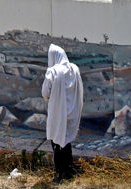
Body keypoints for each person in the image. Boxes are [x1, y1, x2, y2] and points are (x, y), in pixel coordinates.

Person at [42, 44, 84, 182]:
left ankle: (60, 174)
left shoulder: (53, 71)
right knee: (67, 141)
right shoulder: (75, 69)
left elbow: (45, 93)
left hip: (58, 113)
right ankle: (69, 170)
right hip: (72, 112)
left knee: (57, 142)